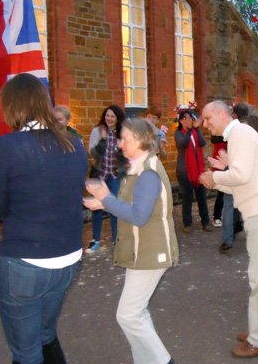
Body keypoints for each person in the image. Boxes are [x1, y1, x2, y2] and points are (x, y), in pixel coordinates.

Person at [0, 73, 88, 364]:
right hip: (68, 258)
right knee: (44, 335)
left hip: (26, 263)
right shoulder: (74, 144)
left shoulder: (8, 146)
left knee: (26, 352)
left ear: (13, 106)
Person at [84, 118, 178, 364]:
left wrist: (105, 198)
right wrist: (103, 201)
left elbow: (139, 216)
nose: (119, 143)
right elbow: (130, 206)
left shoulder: (147, 173)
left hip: (150, 253)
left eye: (124, 138)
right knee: (136, 313)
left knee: (128, 315)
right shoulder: (137, 167)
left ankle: (164, 361)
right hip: (142, 251)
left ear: (138, 139)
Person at [199, 101, 258, 359]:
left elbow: (241, 175)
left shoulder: (240, 134)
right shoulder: (240, 135)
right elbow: (241, 182)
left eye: (207, 117)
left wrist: (215, 177)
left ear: (223, 114)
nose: (205, 124)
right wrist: (217, 181)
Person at [87, 105, 127, 253]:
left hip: (115, 176)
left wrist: (120, 150)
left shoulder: (123, 134)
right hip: (100, 175)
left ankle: (117, 240)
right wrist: (103, 140)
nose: (109, 119)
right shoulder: (97, 131)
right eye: (107, 115)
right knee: (97, 208)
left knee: (114, 209)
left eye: (112, 116)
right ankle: (95, 240)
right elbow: (93, 154)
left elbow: (126, 158)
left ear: (117, 118)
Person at [174, 109, 212, 233]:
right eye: (185, 118)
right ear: (181, 121)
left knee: (202, 197)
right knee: (187, 198)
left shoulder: (196, 131)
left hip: (198, 170)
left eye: (190, 117)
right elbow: (183, 144)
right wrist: (190, 129)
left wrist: (197, 129)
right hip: (185, 171)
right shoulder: (178, 133)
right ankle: (187, 223)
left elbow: (202, 142)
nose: (188, 120)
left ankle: (205, 222)